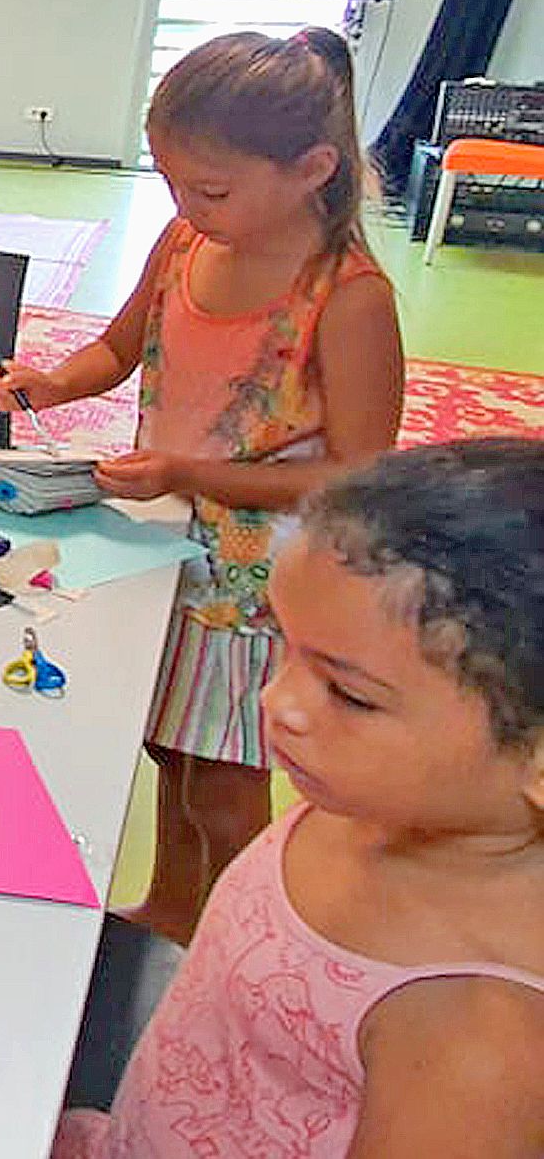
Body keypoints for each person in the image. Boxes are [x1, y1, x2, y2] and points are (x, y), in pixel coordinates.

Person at [0, 28, 403, 942]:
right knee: (166, 746)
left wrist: (187, 472)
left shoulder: (346, 295)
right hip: (162, 549)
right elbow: (120, 348)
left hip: (263, 587)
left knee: (223, 779)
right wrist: (51, 382)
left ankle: (236, 939)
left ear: (313, 169)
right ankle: (175, 906)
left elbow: (366, 479)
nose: (185, 206)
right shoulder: (182, 244)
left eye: (209, 189)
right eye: (170, 182)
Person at [55, 440, 544, 1159]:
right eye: (286, 648)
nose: (277, 702)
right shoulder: (371, 801)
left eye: (348, 694)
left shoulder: (481, 1039)